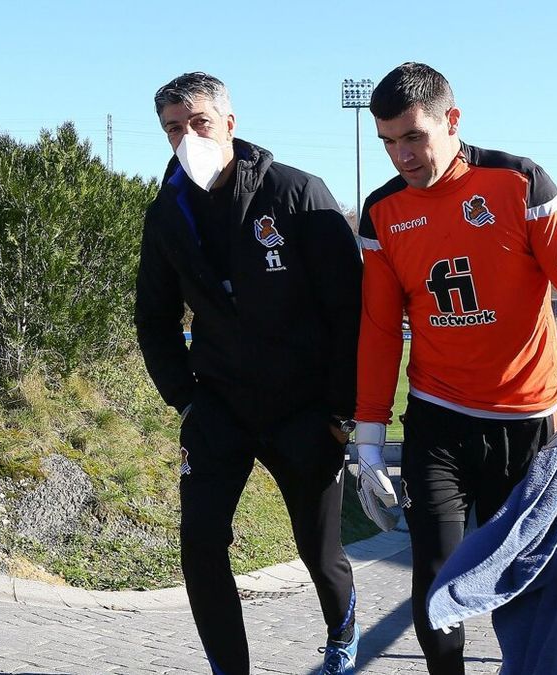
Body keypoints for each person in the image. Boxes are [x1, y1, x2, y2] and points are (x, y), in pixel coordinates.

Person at [352, 62, 557, 674]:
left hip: (527, 422)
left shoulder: (519, 182)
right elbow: (377, 332)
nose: (401, 156)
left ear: (453, 120)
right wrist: (368, 442)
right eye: (388, 142)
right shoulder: (382, 212)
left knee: (527, 588)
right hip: (437, 420)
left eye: (413, 137)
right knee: (436, 578)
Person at [135, 71, 363, 675]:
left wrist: (342, 411)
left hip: (304, 409)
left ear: (230, 123)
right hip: (219, 408)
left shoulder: (296, 193)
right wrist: (185, 399)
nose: (187, 139)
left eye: (198, 123)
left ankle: (342, 629)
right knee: (200, 546)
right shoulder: (165, 216)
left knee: (319, 550)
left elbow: (349, 311)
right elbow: (153, 319)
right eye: (172, 129)